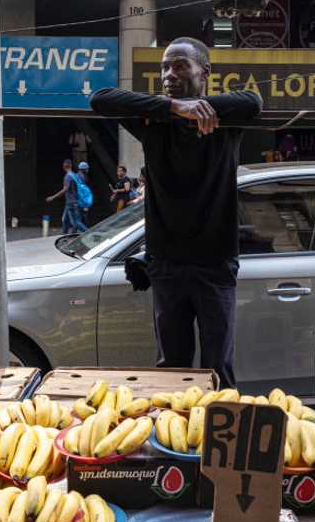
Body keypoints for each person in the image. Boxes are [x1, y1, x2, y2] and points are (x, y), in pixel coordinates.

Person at [90, 36, 263, 388]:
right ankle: (175, 436)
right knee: (172, 367)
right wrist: (174, 108)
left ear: (205, 72)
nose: (169, 73)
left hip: (215, 262)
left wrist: (199, 106)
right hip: (166, 263)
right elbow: (100, 99)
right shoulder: (154, 122)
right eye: (165, 67)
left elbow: (253, 101)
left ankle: (216, 438)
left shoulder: (224, 120)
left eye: (180, 65)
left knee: (218, 367)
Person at [45, 159, 87, 234]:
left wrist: (53, 197)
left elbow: (65, 189)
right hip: (73, 202)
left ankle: (88, 233)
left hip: (71, 203)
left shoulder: (68, 176)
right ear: (71, 165)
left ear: (64, 166)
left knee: (76, 222)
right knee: (65, 221)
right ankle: (64, 236)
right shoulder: (74, 175)